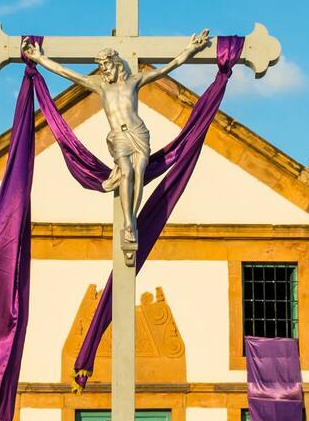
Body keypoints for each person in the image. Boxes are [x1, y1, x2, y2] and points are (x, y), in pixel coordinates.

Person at [23, 29, 210, 260]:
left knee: (139, 176)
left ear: (116, 63)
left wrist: (191, 50)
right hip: (119, 137)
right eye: (101, 68)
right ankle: (129, 223)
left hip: (139, 133)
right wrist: (41, 59)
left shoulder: (134, 81)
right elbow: (67, 73)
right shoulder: (101, 86)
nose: (105, 71)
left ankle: (132, 219)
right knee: (127, 172)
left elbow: (166, 68)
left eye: (107, 66)